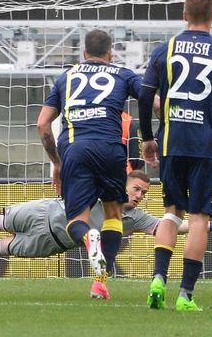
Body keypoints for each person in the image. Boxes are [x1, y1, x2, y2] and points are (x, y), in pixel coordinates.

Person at [0, 171, 212, 299]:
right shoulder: (104, 186)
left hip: (53, 240)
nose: (140, 195)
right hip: (44, 211)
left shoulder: (134, 217)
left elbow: (170, 228)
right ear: (125, 183)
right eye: (137, 188)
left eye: (144, 192)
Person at [140, 0, 212, 312]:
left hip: (172, 142)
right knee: (198, 219)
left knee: (171, 212)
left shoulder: (163, 50)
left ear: (183, 15)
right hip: (205, 145)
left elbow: (144, 96)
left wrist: (146, 137)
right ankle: (185, 295)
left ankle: (158, 278)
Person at [36, 28, 142, 300]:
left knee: (76, 222)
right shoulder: (123, 74)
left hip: (76, 149)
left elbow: (43, 125)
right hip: (111, 148)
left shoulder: (66, 77)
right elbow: (152, 99)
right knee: (114, 216)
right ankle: (100, 284)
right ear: (110, 54)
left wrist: (56, 162)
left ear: (84, 54)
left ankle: (88, 238)